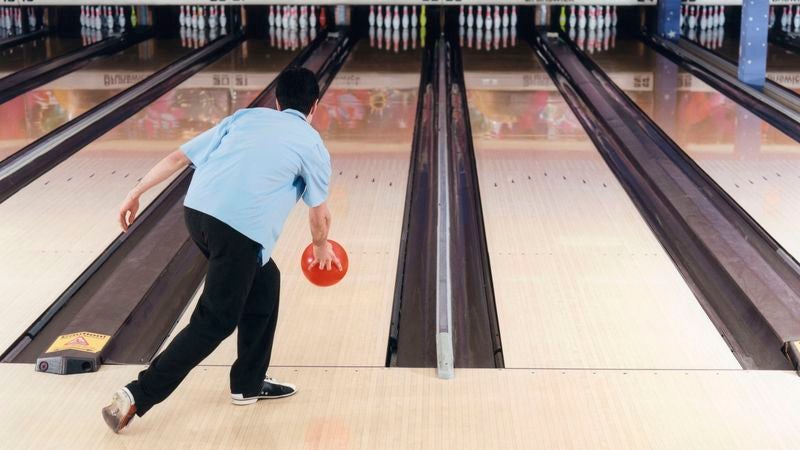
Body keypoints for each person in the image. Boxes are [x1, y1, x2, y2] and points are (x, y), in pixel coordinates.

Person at [102, 67, 342, 433]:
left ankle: (248, 383)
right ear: (315, 105)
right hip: (237, 230)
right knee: (215, 321)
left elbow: (177, 157)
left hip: (196, 214)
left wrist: (135, 192)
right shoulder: (312, 143)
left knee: (265, 280)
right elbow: (319, 215)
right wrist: (321, 248)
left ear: (277, 101)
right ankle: (137, 394)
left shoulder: (245, 118)